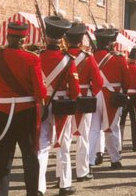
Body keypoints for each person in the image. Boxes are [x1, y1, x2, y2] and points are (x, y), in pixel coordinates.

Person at [0, 22, 47, 195]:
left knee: (2, 162)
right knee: (30, 159)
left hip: (2, 113)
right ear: (24, 39)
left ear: (7, 37)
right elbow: (40, 91)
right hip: (27, 113)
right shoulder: (32, 58)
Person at [38, 16, 80, 196]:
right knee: (63, 145)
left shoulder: (37, 57)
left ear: (46, 36)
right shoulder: (68, 60)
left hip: (42, 103)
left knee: (42, 146)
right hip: (62, 105)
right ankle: (65, 184)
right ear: (62, 37)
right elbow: (76, 90)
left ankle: (39, 187)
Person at [65, 23, 103, 182]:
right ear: (81, 41)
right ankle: (82, 171)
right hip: (84, 97)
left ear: (66, 40)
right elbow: (99, 82)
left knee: (64, 137)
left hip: (65, 98)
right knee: (83, 137)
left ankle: (62, 173)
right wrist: (90, 93)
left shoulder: (63, 55)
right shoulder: (88, 58)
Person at [90, 26, 128, 170]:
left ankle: (90, 160)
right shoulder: (118, 58)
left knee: (93, 129)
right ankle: (115, 159)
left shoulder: (90, 57)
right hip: (112, 95)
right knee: (112, 128)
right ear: (109, 43)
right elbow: (126, 80)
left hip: (94, 94)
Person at [120, 47, 136, 152]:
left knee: (120, 122)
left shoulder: (124, 68)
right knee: (135, 122)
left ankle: (118, 144)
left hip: (123, 96)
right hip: (135, 98)